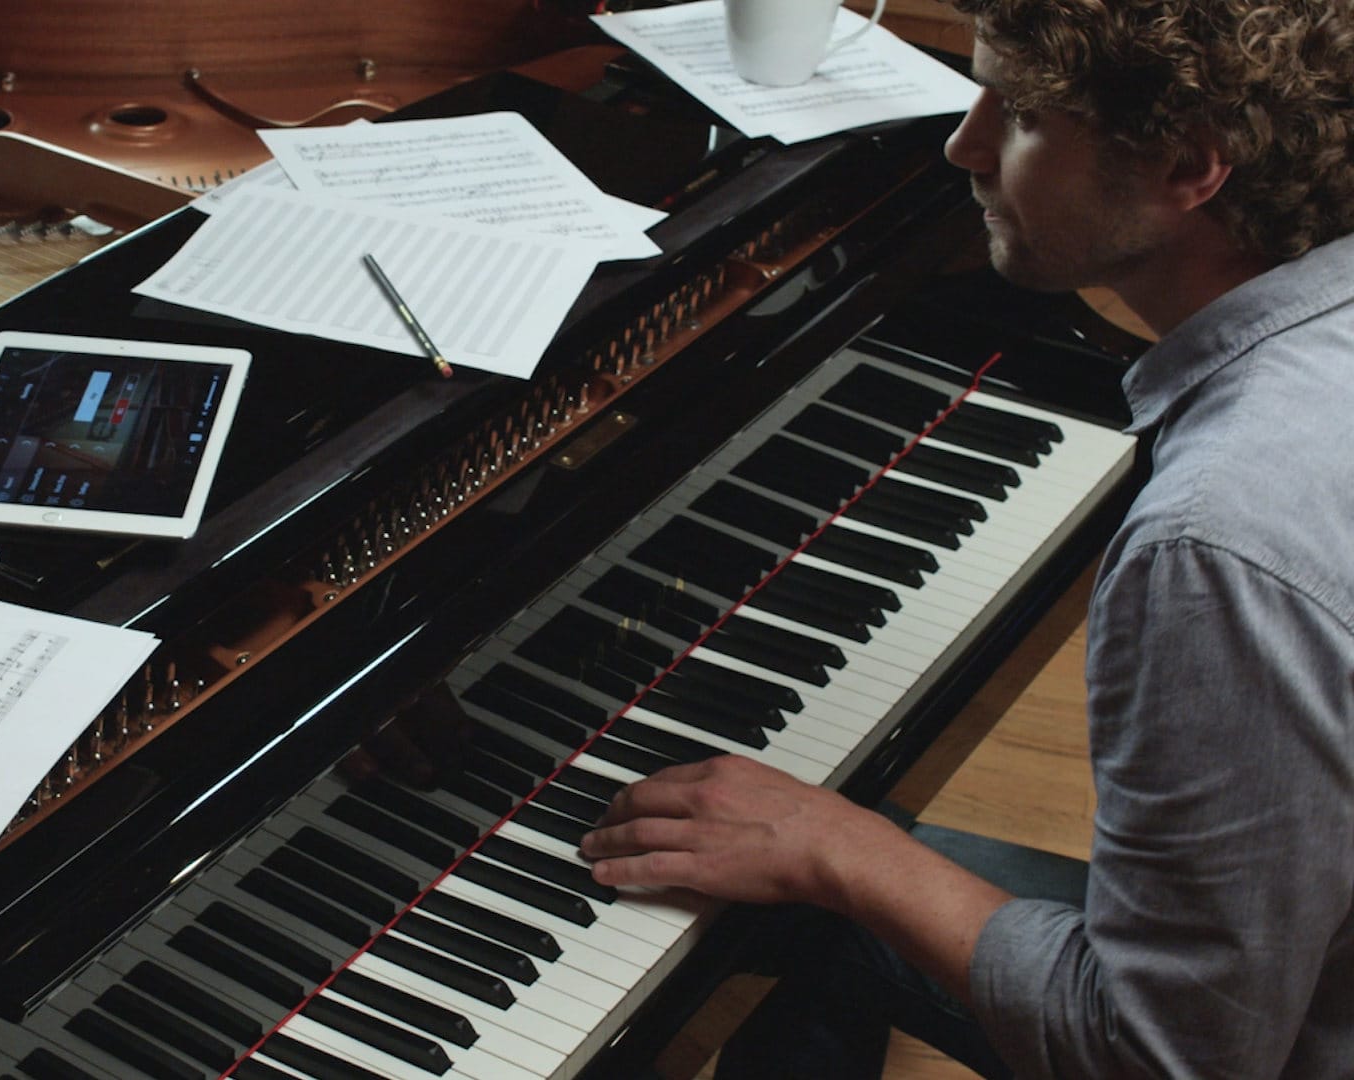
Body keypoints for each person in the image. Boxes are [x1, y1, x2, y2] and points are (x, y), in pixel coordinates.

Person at [580, 0, 1354, 1076]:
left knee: (810, 874)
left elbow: (1172, 1059)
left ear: (1189, 166)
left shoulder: (1220, 537)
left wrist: (841, 850)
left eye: (1023, 114)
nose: (964, 144)